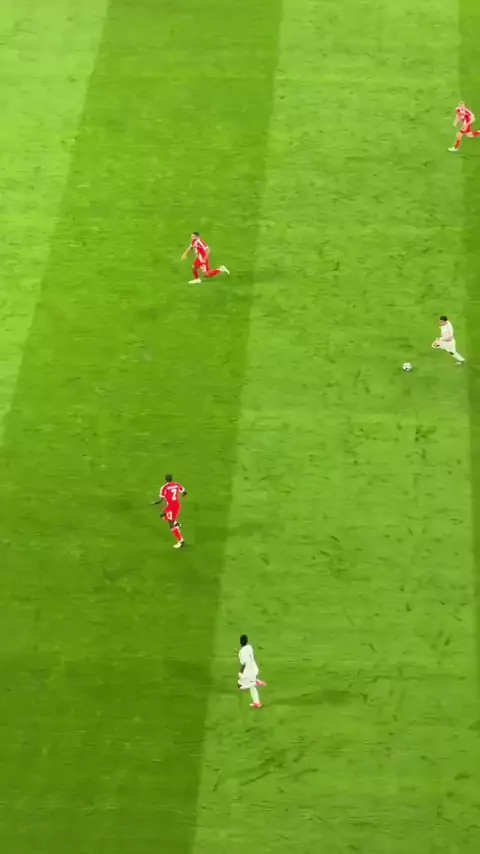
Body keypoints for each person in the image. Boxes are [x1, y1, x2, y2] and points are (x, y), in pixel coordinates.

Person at [152, 474, 187, 548]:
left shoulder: (164, 487)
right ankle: (176, 523)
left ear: (165, 479)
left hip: (171, 507)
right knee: (163, 515)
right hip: (176, 505)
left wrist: (155, 503)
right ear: (171, 479)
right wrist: (184, 496)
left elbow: (161, 500)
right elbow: (185, 492)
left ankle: (181, 541)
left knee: (171, 526)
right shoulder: (177, 484)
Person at [237, 634, 267, 709]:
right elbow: (247, 655)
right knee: (252, 687)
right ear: (247, 641)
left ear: (240, 642)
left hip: (248, 672)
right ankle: (257, 703)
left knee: (240, 686)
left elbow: (244, 663)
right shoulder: (249, 647)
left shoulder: (241, 652)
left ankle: (256, 682)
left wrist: (240, 673)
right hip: (254, 669)